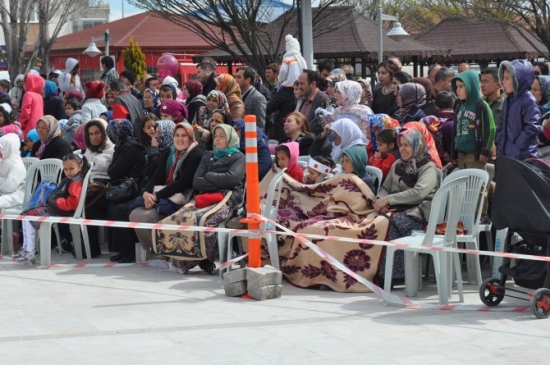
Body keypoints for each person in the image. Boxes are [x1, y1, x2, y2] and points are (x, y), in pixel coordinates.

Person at [154, 124, 245, 274]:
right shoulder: (208, 156)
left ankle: (205, 259)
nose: (217, 139)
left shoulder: (238, 157)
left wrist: (209, 176)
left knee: (207, 221)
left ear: (230, 138)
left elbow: (232, 180)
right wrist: (217, 180)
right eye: (216, 136)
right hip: (204, 196)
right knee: (179, 218)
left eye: (222, 136)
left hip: (228, 199)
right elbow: (197, 181)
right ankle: (189, 260)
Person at [373, 128, 438, 284]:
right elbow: (385, 188)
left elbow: (419, 193)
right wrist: (381, 200)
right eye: (400, 144)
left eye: (407, 145)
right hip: (396, 209)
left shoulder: (428, 167)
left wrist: (388, 200)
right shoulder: (398, 164)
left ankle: (395, 275)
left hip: (417, 215)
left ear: (417, 145)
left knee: (386, 223)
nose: (402, 148)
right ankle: (372, 270)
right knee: (369, 222)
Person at [129, 122, 206, 251]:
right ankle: (154, 249)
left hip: (184, 199)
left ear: (191, 137)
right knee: (135, 214)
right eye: (177, 135)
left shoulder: (196, 155)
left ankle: (164, 250)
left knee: (141, 216)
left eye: (184, 135)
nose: (180, 139)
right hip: (164, 195)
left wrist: (156, 196)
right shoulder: (169, 152)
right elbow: (156, 177)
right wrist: (146, 193)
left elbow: (182, 184)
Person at [15, 154, 90, 262]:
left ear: (80, 167)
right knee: (25, 214)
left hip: (62, 211)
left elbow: (73, 203)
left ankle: (31, 249)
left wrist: (58, 202)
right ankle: (26, 247)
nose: (68, 172)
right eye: (66, 169)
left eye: (71, 169)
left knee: (30, 216)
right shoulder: (72, 179)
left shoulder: (76, 182)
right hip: (56, 208)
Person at [451, 69, 496, 169]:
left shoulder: (481, 106)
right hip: (461, 154)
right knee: (464, 183)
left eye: (461, 87)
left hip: (475, 155)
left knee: (475, 182)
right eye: (457, 87)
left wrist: (485, 151)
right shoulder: (459, 106)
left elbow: (491, 129)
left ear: (470, 86)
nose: (457, 90)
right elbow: (455, 129)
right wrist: (453, 152)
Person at [497, 60, 541, 160]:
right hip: (506, 154)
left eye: (507, 79)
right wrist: (499, 141)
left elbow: (532, 127)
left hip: (524, 157)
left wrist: (517, 146)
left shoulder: (528, 100)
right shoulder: (507, 100)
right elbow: (502, 124)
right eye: (503, 78)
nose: (503, 82)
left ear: (519, 80)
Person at [0, 134, 26, 209]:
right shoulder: (3, 160)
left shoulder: (17, 165)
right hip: (3, 192)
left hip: (16, 195)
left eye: (1, 148)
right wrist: (4, 181)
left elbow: (9, 187)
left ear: (8, 148)